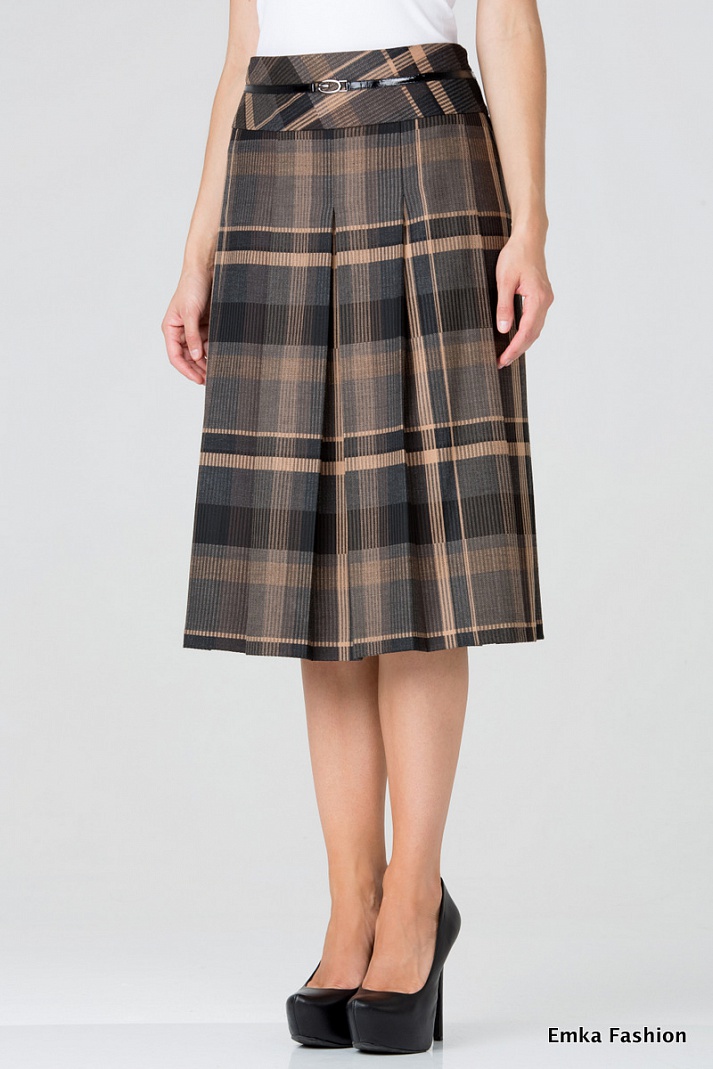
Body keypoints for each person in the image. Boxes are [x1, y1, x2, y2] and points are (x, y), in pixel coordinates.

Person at [162, 0, 553, 1054]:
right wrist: (196, 253)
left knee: (416, 553)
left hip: (427, 153)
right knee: (314, 564)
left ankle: (414, 902)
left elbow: (507, 22)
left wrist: (529, 223)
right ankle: (352, 906)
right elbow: (243, 52)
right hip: (274, 165)